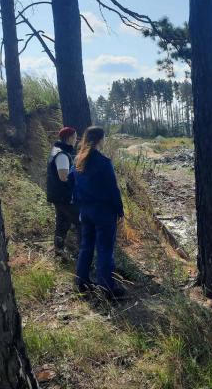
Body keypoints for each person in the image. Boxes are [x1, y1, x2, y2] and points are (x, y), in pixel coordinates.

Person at [72, 126, 125, 297]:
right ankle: (107, 288)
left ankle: (81, 282)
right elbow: (113, 190)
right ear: (100, 140)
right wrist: (120, 211)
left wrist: (79, 206)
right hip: (103, 212)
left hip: (85, 211)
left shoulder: (78, 160)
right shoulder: (103, 162)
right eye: (104, 138)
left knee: (86, 246)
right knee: (105, 249)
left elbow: (74, 186)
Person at [46, 126, 80, 257]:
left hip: (57, 194)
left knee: (62, 221)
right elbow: (63, 176)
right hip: (64, 195)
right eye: (75, 137)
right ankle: (81, 252)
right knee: (80, 221)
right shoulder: (62, 154)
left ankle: (59, 250)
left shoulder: (56, 150)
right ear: (70, 138)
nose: (76, 140)